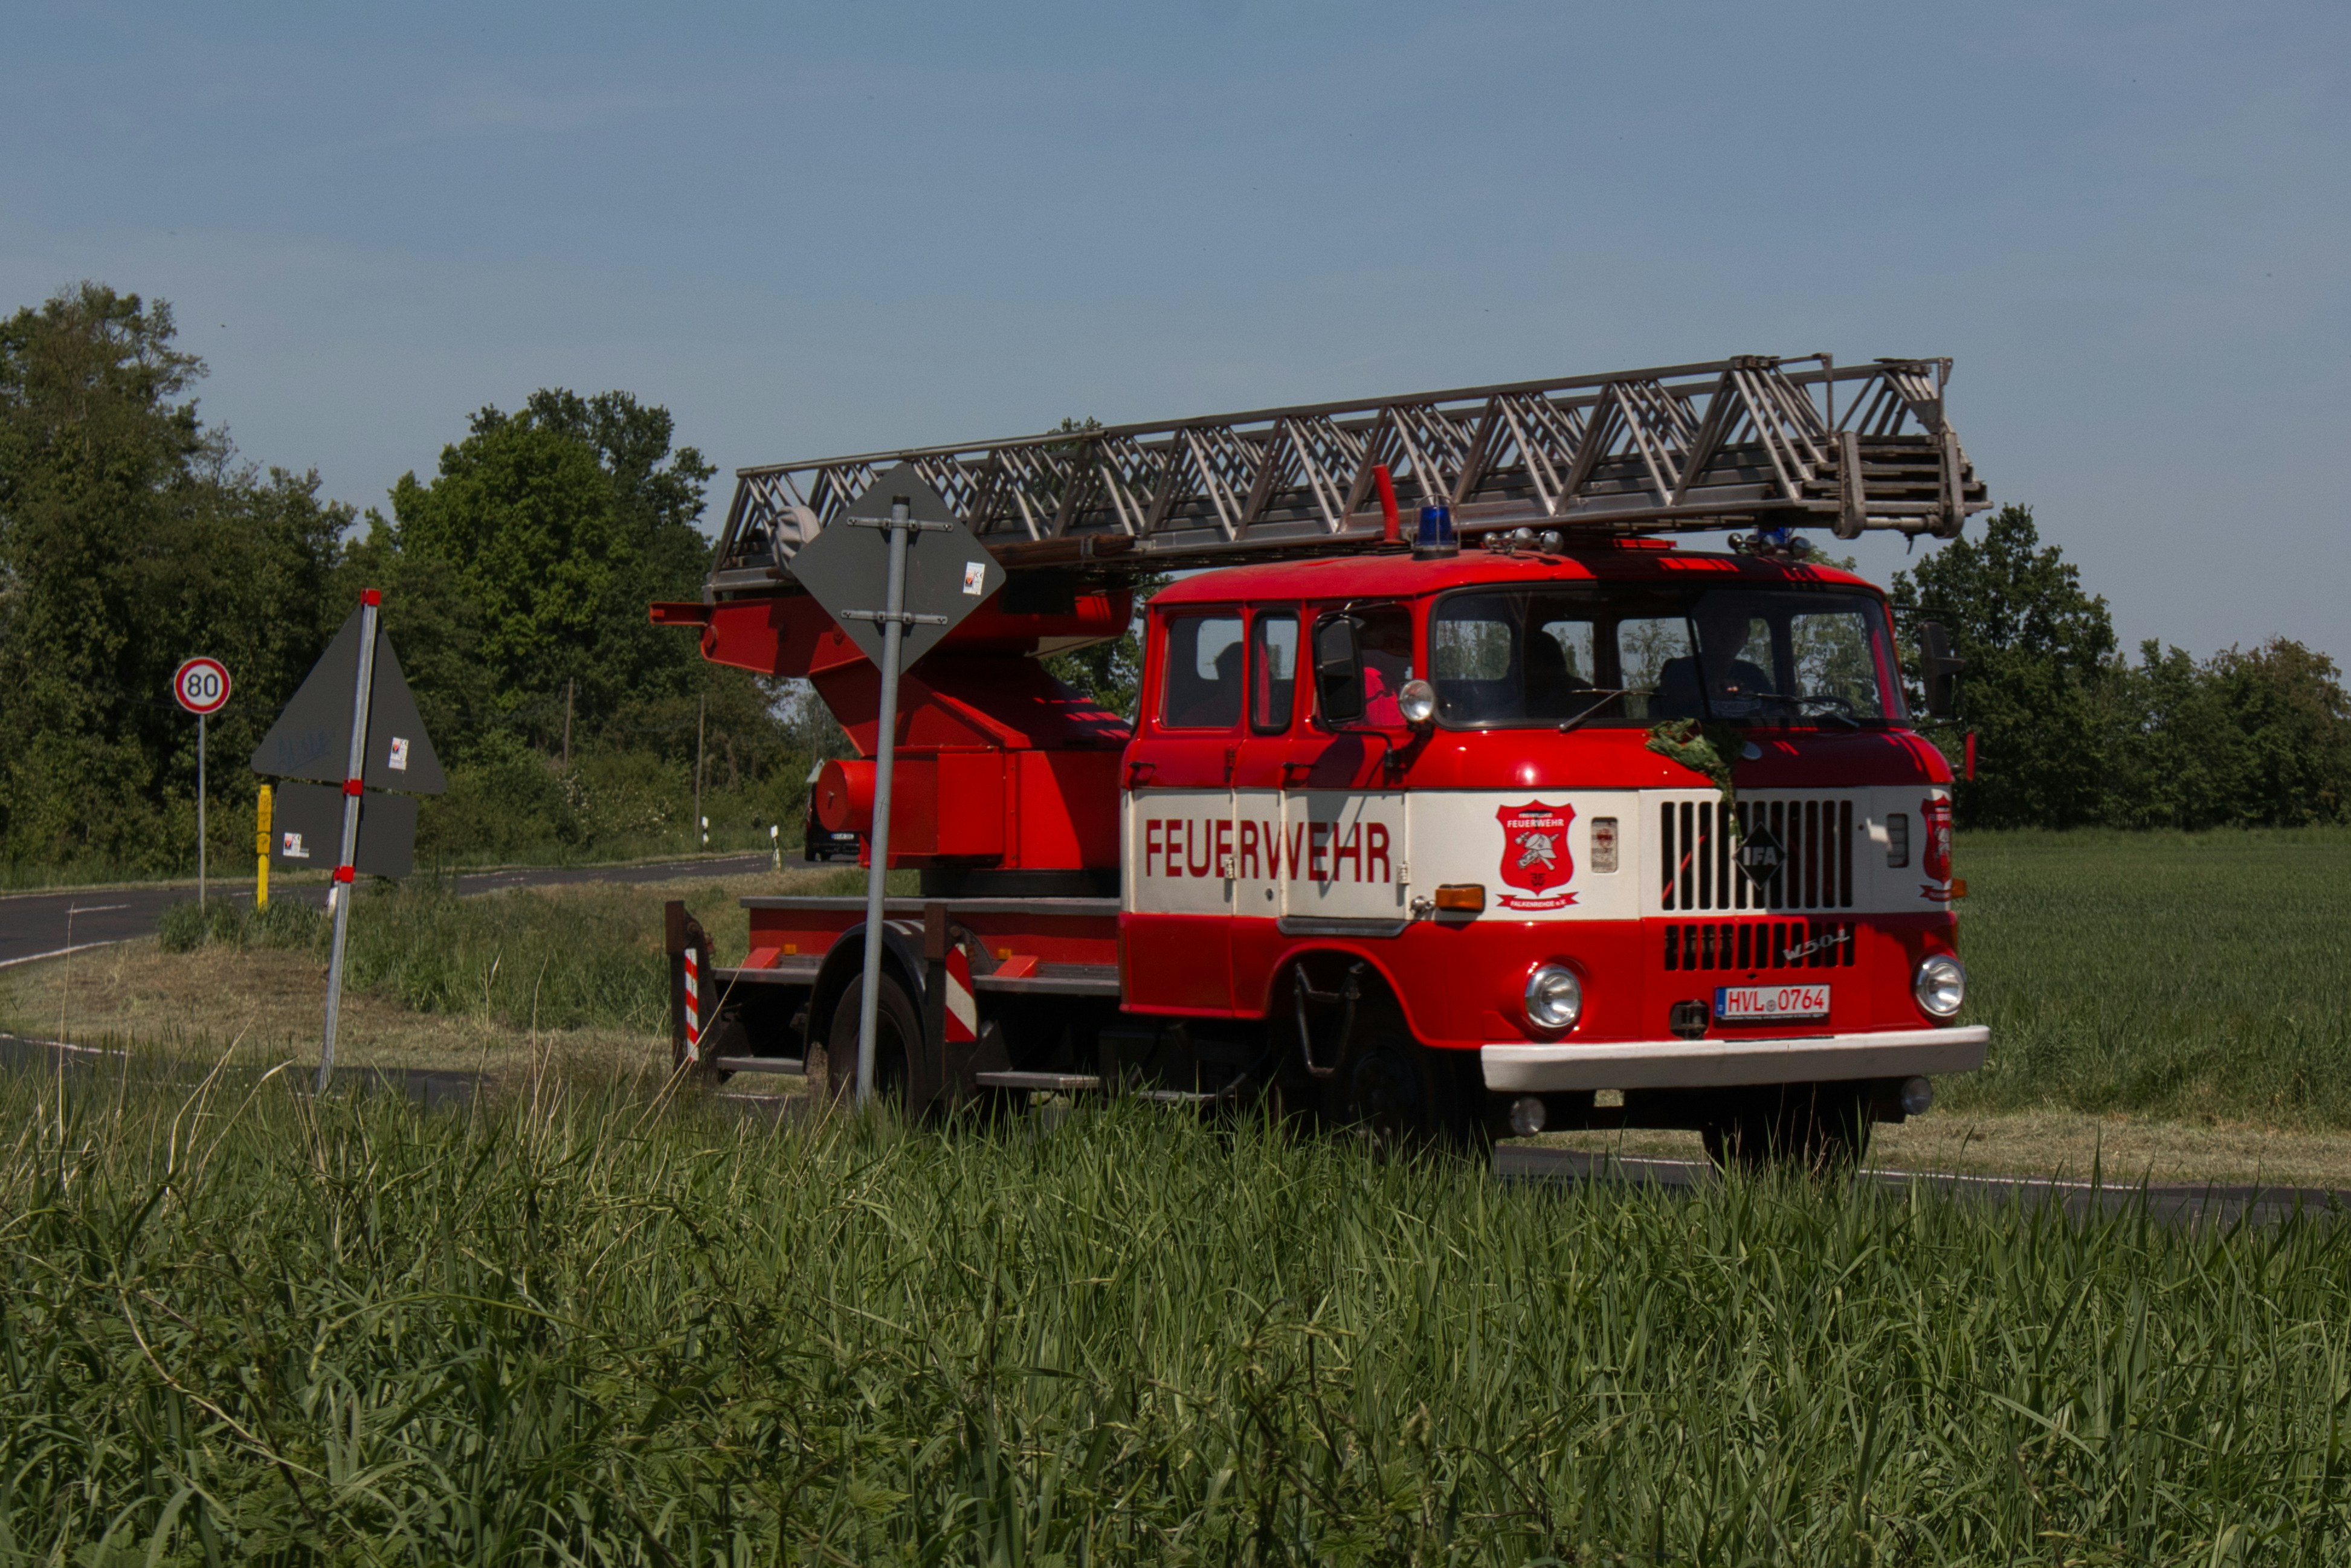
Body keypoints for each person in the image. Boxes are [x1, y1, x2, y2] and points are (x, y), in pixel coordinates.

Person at [1652, 601, 1773, 720]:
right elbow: (1664, 711)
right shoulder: (1680, 671)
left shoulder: (1753, 675)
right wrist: (1705, 694)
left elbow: (1775, 713)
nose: (1729, 632)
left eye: (1737, 625)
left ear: (1747, 635)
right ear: (1703, 631)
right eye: (1720, 624)